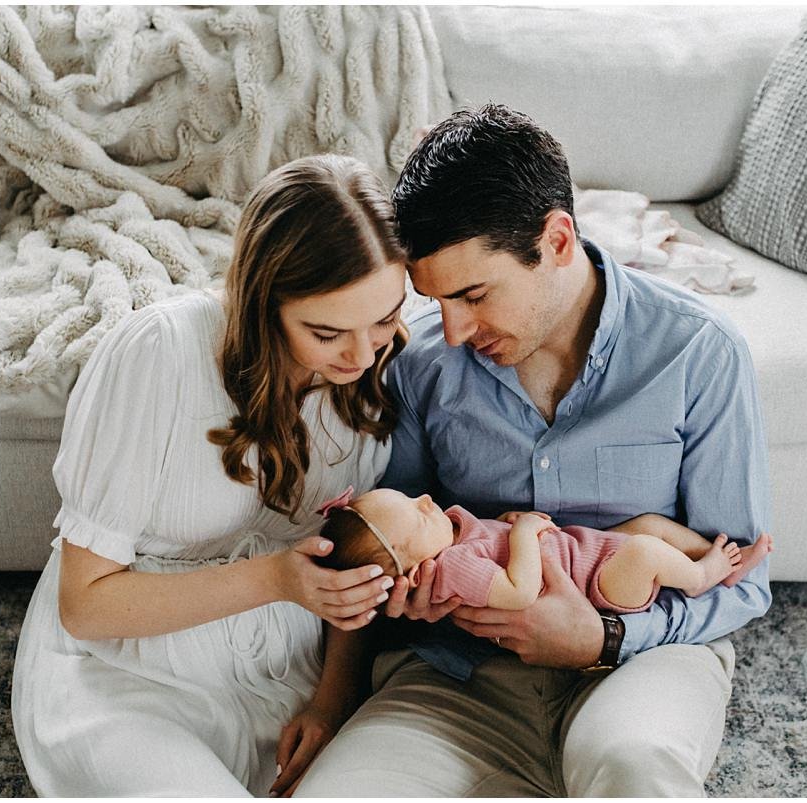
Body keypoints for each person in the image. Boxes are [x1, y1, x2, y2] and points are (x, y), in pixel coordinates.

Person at [295, 105, 773, 797]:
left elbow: (745, 579)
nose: (452, 330)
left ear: (556, 238)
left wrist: (603, 637)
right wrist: (342, 684)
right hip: (459, 673)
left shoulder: (698, 353)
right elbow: (386, 537)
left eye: (474, 294)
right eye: (437, 301)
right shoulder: (424, 364)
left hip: (641, 656)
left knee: (635, 770)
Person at [11, 154, 411, 797]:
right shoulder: (158, 354)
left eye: (385, 319)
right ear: (263, 303)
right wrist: (276, 578)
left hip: (288, 671)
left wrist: (333, 702)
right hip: (129, 670)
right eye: (327, 331)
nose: (363, 355)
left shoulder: (376, 368)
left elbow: (352, 568)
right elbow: (85, 606)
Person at [316, 486, 774, 611]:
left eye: (411, 497)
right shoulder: (453, 569)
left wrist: (510, 523)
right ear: (415, 573)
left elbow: (493, 542)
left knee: (650, 527)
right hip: (594, 588)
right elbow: (519, 592)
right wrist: (521, 536)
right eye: (417, 515)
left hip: (589, 550)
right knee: (644, 553)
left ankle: (714, 560)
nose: (424, 499)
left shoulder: (454, 533)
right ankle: (702, 577)